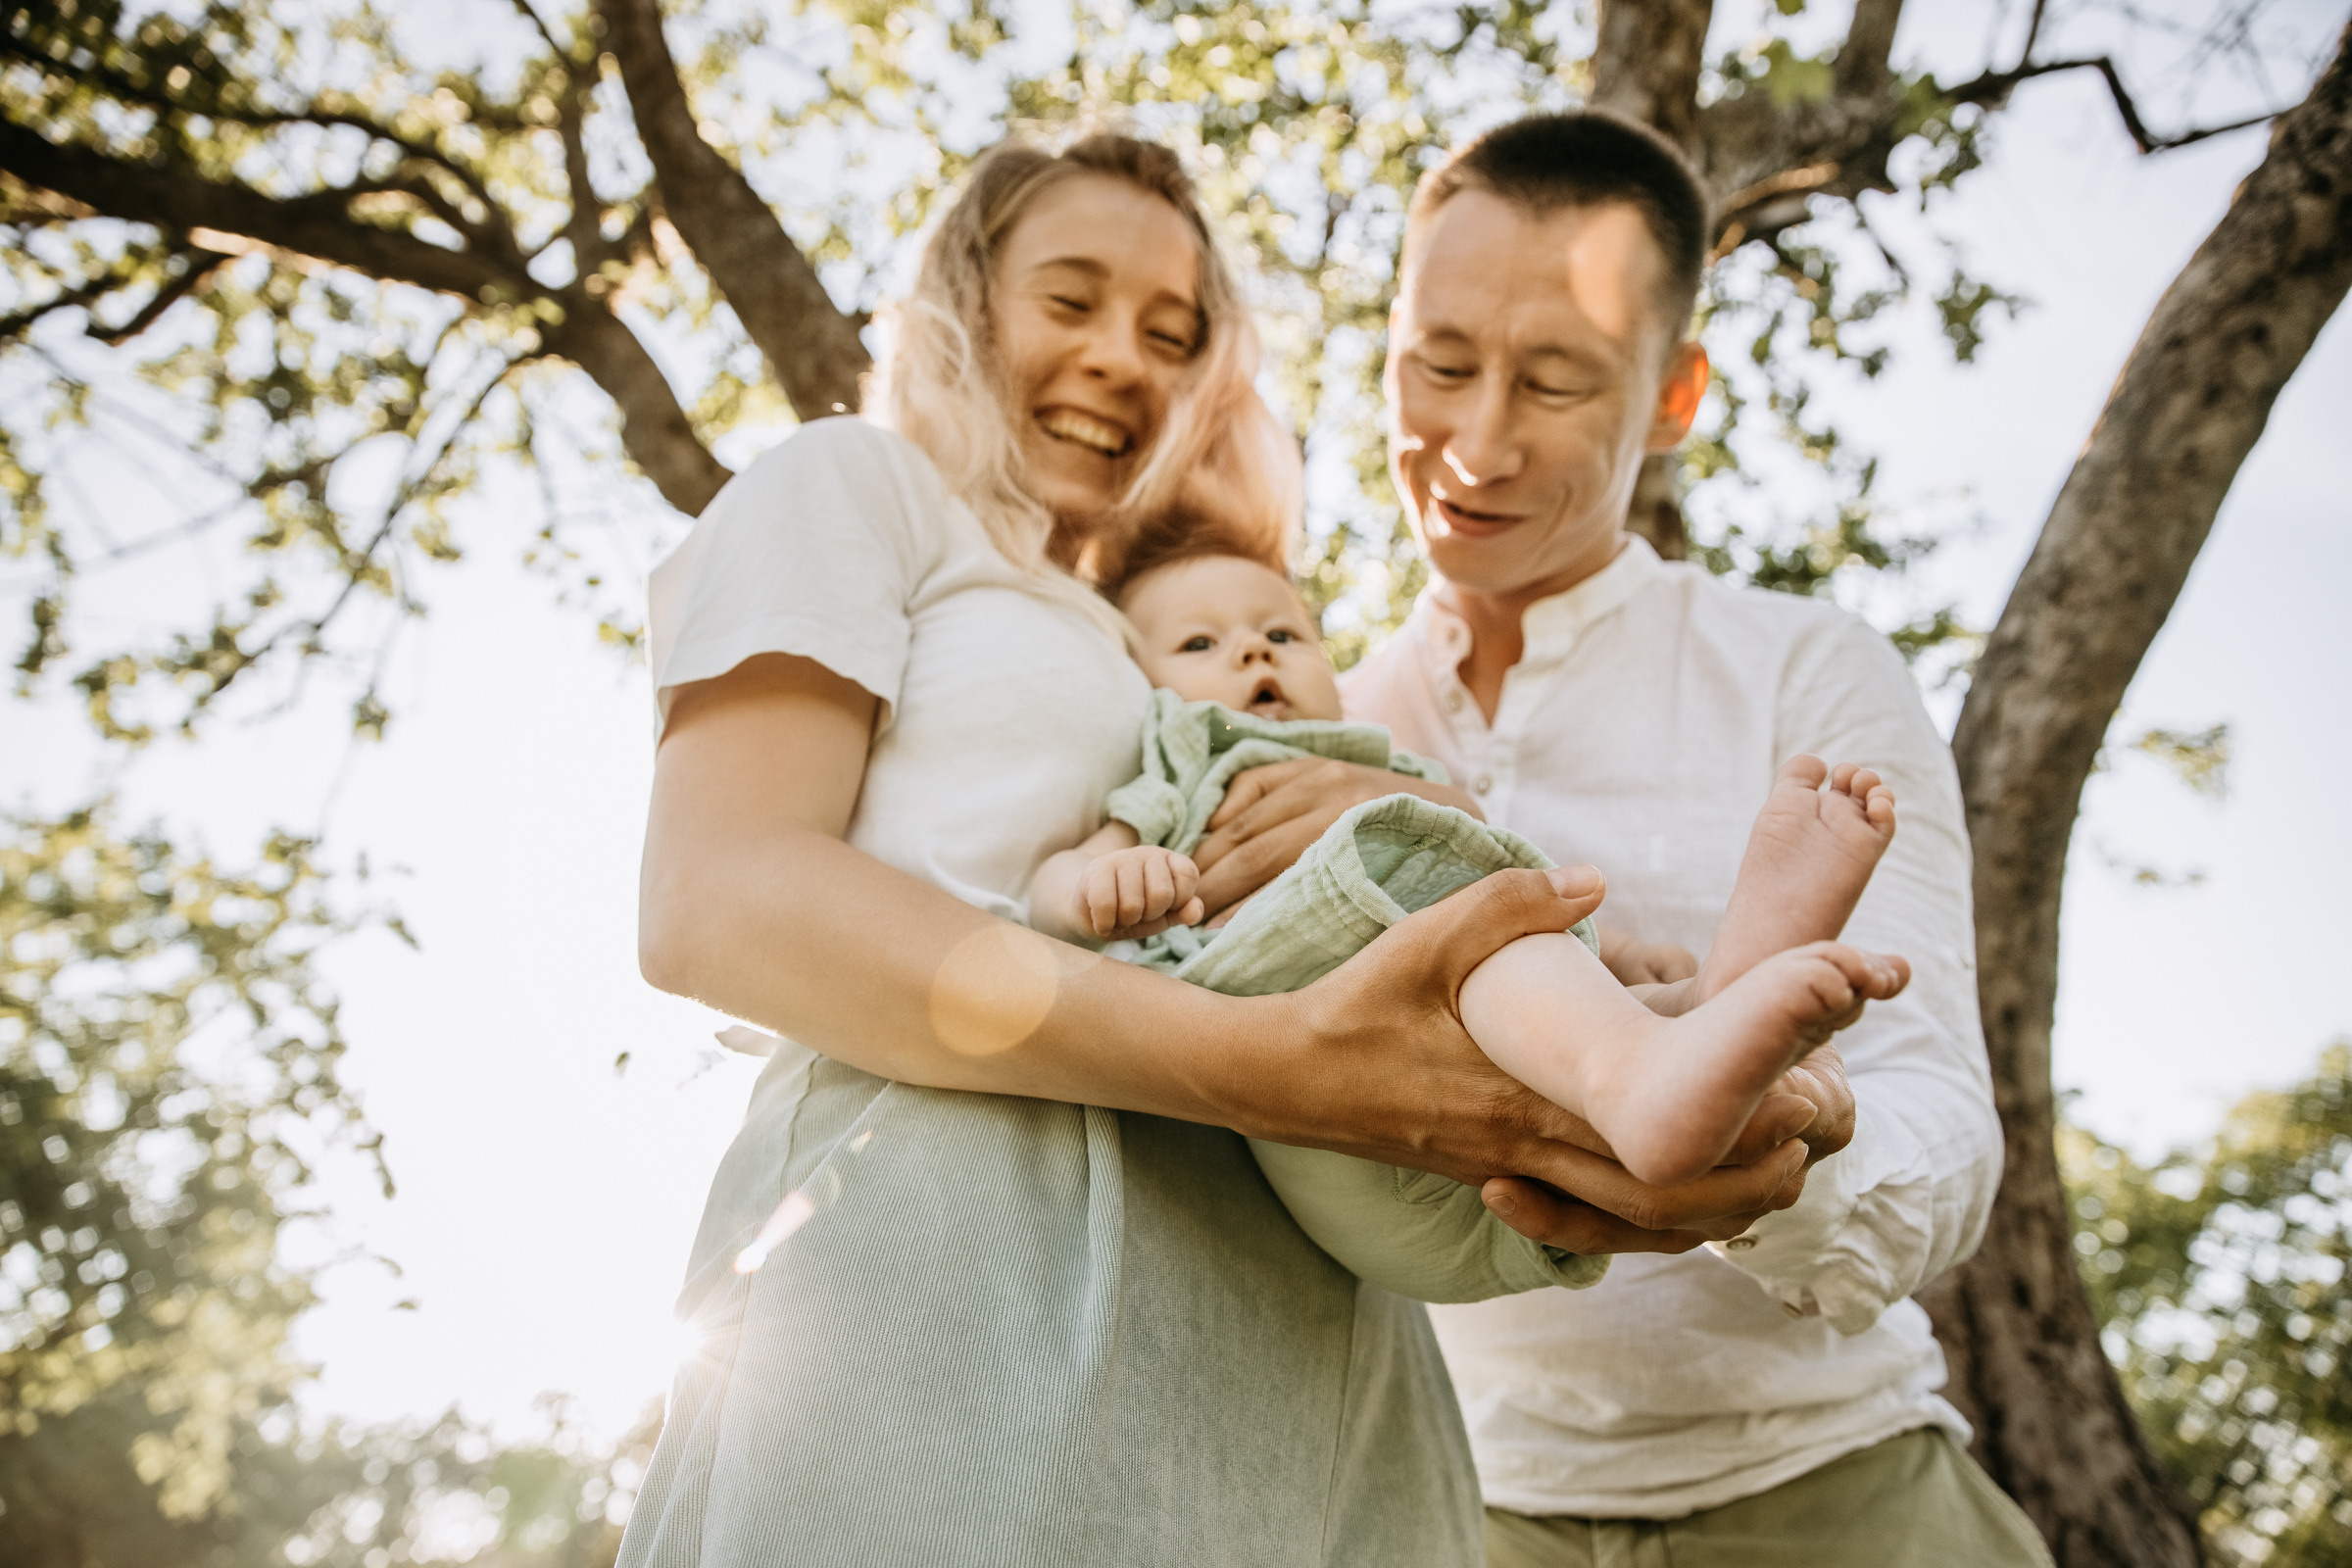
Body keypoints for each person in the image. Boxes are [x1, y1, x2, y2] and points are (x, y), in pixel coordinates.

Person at [616, 128, 1830, 1568]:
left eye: (1171, 331)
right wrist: (1274, 1065)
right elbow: (719, 899)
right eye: (1071, 301)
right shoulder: (855, 487)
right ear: (960, 301)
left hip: (1301, 1322)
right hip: (968, 1264)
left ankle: (1683, 1058)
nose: (1126, 357)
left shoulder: (1160, 623)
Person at [1182, 110, 2045, 1564]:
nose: (1475, 439)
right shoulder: (1300, 715)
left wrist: (1782, 1159)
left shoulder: (1806, 675)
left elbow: (1943, 1131)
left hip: (1836, 1492)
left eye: (1557, 380)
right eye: (1439, 364)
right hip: (1454, 1514)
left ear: (1672, 397)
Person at [1030, 536, 1908, 1207]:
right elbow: (1059, 880)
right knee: (1483, 945)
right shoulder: (1184, 770)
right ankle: (1640, 1072)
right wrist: (1103, 885)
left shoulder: (1383, 761)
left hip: (1476, 1086)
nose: (1255, 654)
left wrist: (1623, 951)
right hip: (1311, 1079)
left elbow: (1511, 892)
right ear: (1141, 689)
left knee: (1515, 944)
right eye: (1199, 644)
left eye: (1281, 633)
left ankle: (1705, 999)